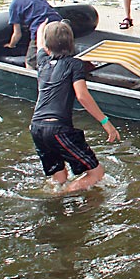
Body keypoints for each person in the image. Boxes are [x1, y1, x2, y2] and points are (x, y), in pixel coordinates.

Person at [30, 20, 120, 193]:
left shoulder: (42, 61)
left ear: (48, 48)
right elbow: (82, 95)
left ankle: (57, 197)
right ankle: (61, 196)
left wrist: (42, 25)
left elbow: (40, 41)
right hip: (58, 128)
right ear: (72, 44)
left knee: (59, 177)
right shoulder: (74, 64)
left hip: (36, 127)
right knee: (96, 173)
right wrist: (105, 122)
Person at [1, 0, 62, 69]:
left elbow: (17, 34)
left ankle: (33, 79)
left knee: (30, 61)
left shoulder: (14, 5)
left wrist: (11, 45)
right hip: (58, 23)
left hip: (41, 30)